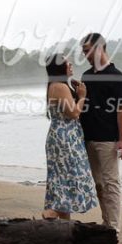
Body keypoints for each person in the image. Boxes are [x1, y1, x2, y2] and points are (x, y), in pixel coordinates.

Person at [80, 33, 122, 231]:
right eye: (83, 52)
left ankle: (114, 229)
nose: (85, 55)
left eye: (87, 51)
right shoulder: (86, 76)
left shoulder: (118, 78)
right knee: (98, 185)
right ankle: (106, 223)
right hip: (88, 138)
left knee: (111, 184)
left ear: (99, 48)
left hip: (108, 139)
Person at [42, 54, 99, 220]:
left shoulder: (57, 85)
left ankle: (64, 225)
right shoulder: (59, 86)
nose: (71, 64)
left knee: (62, 179)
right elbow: (74, 113)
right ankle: (51, 213)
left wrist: (74, 91)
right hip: (65, 138)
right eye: (68, 63)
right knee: (68, 177)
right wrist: (82, 96)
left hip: (62, 136)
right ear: (61, 67)